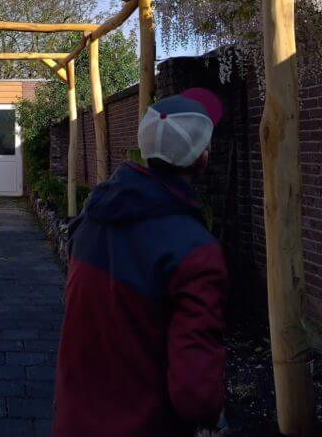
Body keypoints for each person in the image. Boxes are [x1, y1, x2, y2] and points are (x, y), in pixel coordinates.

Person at [53, 88, 228, 437]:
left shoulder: (93, 217)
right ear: (203, 159)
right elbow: (195, 394)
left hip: (73, 420)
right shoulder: (194, 250)